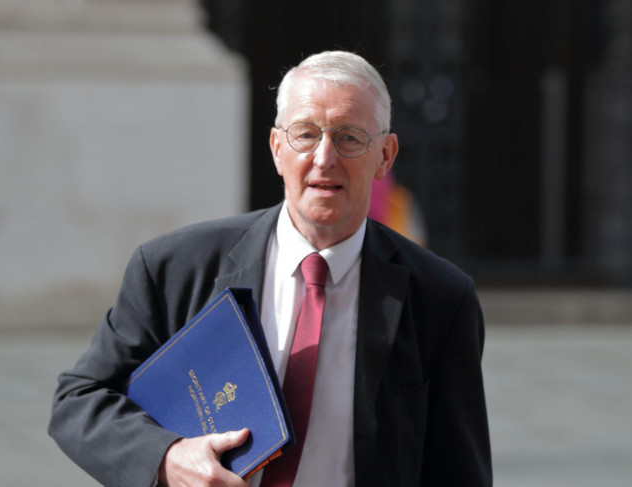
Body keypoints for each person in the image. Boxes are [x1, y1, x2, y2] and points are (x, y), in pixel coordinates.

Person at [49, 50, 492, 487]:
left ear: (386, 156)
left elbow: (458, 470)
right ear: (277, 148)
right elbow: (80, 401)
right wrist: (167, 458)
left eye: (350, 137)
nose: (324, 158)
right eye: (305, 134)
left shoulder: (439, 298)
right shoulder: (174, 267)